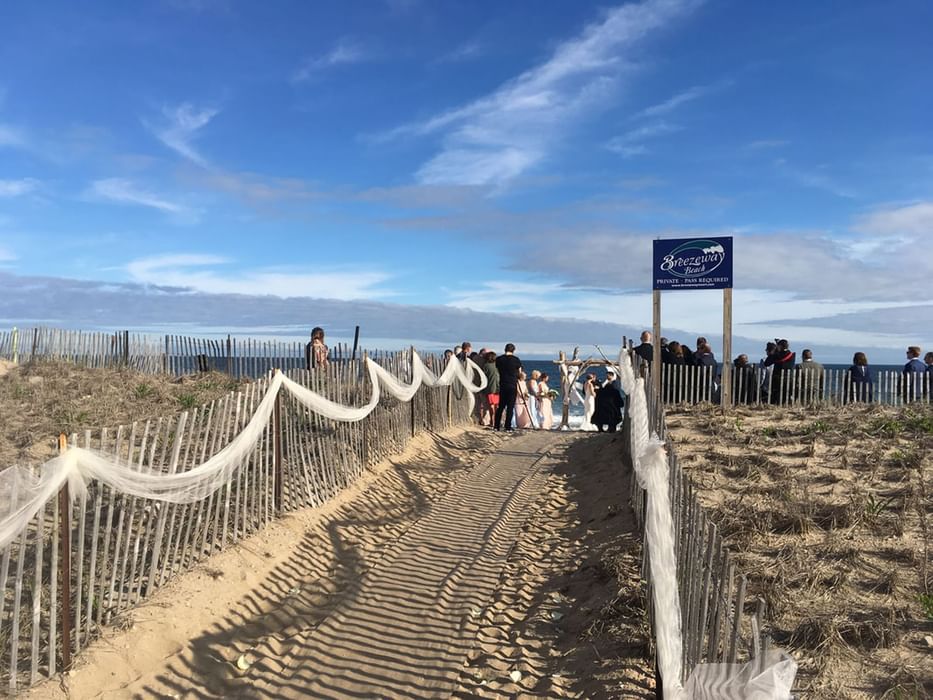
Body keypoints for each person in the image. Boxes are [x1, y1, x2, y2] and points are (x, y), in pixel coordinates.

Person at [494, 343, 522, 431]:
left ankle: (496, 426)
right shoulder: (516, 360)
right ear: (513, 350)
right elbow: (519, 372)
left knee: (501, 406)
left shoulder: (499, 359)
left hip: (503, 384)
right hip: (512, 384)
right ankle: (507, 427)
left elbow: (497, 369)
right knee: (510, 407)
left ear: (505, 349)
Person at [764, 339, 795, 404]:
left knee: (776, 396)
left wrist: (773, 352)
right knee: (786, 395)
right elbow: (786, 352)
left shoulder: (777, 355)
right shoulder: (792, 355)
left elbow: (766, 363)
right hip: (788, 378)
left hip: (777, 378)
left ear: (780, 346)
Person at [481, 351, 500, 426]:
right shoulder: (498, 365)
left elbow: (483, 377)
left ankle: (492, 421)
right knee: (497, 405)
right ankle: (497, 421)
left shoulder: (486, 366)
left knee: (491, 405)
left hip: (490, 387)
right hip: (498, 387)